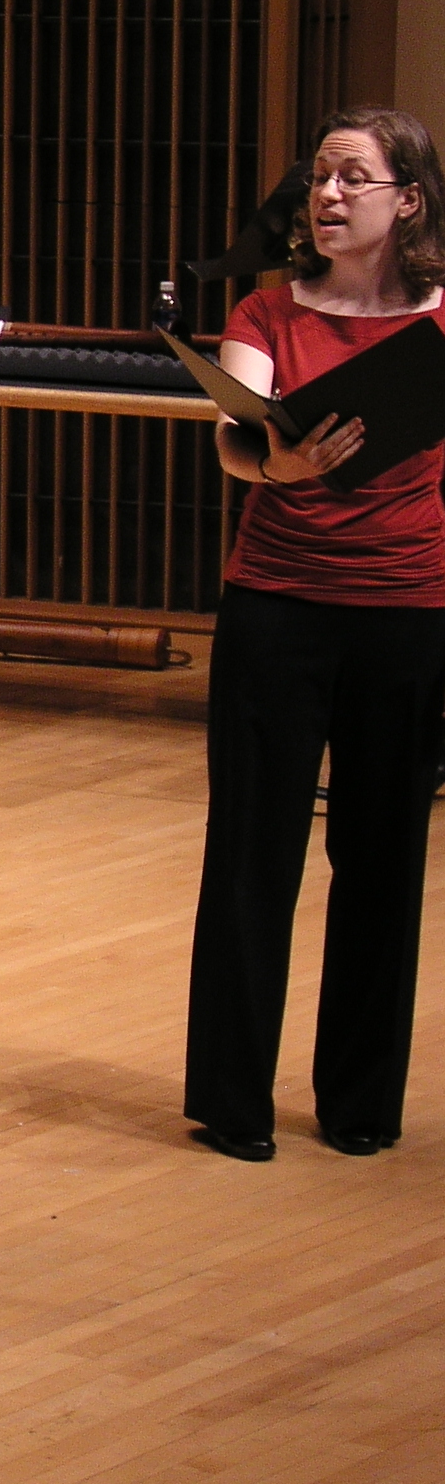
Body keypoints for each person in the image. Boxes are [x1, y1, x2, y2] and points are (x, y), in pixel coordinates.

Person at [183, 107, 445, 1162]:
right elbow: (233, 432)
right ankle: (232, 1101)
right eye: (319, 179)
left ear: (408, 201)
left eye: (352, 178)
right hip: (278, 606)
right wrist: (274, 463)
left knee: (382, 857)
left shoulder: (440, 320)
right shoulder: (266, 310)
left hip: (408, 610)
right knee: (252, 852)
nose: (327, 196)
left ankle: (361, 1103)